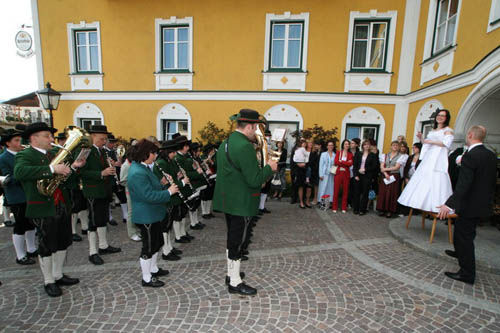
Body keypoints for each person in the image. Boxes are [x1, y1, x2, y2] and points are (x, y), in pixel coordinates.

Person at [14, 122, 84, 297]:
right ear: (33, 138)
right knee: (47, 244)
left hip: (61, 204)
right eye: (47, 136)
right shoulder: (25, 155)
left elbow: (64, 181)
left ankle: (58, 274)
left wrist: (73, 168)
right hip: (42, 206)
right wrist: (52, 168)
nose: (51, 139)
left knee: (63, 241)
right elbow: (20, 172)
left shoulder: (53, 154)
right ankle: (48, 280)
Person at [213, 109, 277, 296]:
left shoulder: (226, 142)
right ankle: (234, 282)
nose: (256, 130)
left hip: (229, 199)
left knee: (232, 239)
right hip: (242, 201)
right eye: (255, 127)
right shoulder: (244, 146)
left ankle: (231, 273)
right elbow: (254, 179)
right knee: (238, 242)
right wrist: (269, 168)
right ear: (249, 126)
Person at [438, 126, 496, 285]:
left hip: (470, 204)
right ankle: (459, 253)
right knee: (464, 234)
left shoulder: (471, 156)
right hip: (482, 203)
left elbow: (464, 184)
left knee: (464, 237)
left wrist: (448, 204)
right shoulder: (491, 155)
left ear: (470, 135)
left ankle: (467, 273)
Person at [127, 139, 179, 287]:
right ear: (146, 154)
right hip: (146, 215)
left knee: (157, 243)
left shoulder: (143, 167)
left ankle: (153, 268)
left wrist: (162, 184)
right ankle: (146, 277)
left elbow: (150, 187)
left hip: (153, 213)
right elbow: (148, 195)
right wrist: (169, 192)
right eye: (154, 153)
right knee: (148, 247)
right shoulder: (137, 171)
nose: (156, 155)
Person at [398, 109, 454, 213]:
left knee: (436, 178)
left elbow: (447, 143)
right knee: (424, 178)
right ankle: (421, 202)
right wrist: (422, 139)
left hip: (438, 156)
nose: (440, 117)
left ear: (446, 118)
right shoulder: (433, 131)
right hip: (429, 156)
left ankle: (436, 204)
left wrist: (431, 141)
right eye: (439, 115)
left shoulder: (447, 130)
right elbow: (427, 144)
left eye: (443, 116)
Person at [80, 125, 121, 265]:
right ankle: (92, 251)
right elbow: (80, 172)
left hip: (104, 189)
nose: (104, 141)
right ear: (92, 137)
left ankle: (103, 245)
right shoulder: (86, 151)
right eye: (101, 139)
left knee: (102, 218)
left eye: (105, 139)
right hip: (92, 191)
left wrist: (111, 169)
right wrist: (101, 173)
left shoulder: (103, 151)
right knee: (93, 221)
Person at [0, 129, 37, 264]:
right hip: (16, 195)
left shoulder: (23, 154)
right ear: (8, 143)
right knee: (20, 224)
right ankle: (20, 255)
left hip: (29, 194)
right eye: (16, 140)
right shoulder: (3, 158)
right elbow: (8, 178)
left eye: (19, 139)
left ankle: (32, 249)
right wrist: (26, 173)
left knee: (31, 223)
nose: (19, 142)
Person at [119, 145, 142, 242]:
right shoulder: (125, 166)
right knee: (131, 212)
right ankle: (131, 232)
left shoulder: (134, 163)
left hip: (138, 191)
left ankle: (137, 230)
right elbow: (123, 180)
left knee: (137, 211)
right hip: (130, 191)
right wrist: (135, 182)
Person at [352, 140, 379, 215]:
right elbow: (355, 165)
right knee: (357, 192)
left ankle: (362, 209)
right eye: (365, 145)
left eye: (368, 145)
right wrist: (356, 175)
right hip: (358, 175)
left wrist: (365, 169)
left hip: (367, 176)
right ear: (362, 146)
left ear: (370, 146)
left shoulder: (373, 155)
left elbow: (374, 166)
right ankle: (356, 209)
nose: (366, 146)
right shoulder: (358, 154)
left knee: (365, 193)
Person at [376, 141, 402, 218]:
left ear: (398, 147)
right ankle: (382, 209)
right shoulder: (385, 155)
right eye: (393, 145)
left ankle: (389, 211)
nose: (395, 146)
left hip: (394, 175)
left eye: (397, 145)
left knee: (392, 193)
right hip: (385, 175)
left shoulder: (401, 156)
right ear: (391, 146)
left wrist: (385, 169)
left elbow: (397, 167)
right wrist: (385, 173)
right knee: (383, 192)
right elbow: (381, 166)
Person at [332, 139, 353, 213]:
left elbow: (350, 164)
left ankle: (344, 207)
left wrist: (342, 162)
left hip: (346, 175)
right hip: (338, 174)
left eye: (348, 144)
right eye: (345, 144)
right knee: (336, 190)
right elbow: (336, 162)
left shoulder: (350, 154)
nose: (347, 145)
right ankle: (334, 207)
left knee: (345, 191)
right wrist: (346, 163)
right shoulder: (338, 152)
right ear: (343, 145)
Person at [293, 139, 311, 208]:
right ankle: (301, 202)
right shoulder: (298, 150)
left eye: (305, 143)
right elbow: (294, 159)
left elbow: (309, 161)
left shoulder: (306, 151)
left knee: (308, 187)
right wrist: (298, 164)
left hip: (306, 169)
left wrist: (305, 164)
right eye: (302, 143)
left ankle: (307, 201)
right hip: (299, 170)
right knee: (301, 186)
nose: (304, 144)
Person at [308, 141, 321, 206]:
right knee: (315, 186)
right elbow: (310, 162)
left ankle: (318, 199)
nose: (316, 146)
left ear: (320, 145)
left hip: (321, 172)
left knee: (319, 186)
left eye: (317, 145)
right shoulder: (313, 152)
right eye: (315, 145)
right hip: (314, 172)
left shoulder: (323, 153)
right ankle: (315, 199)